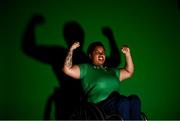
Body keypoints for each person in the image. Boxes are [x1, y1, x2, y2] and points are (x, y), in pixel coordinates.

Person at [62, 41, 141, 120]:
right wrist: (71, 50)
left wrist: (127, 54)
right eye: (97, 52)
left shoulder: (112, 71)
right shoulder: (86, 68)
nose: (101, 54)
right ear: (90, 55)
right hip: (99, 107)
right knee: (123, 102)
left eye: (103, 52)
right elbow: (67, 69)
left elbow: (129, 72)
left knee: (134, 99)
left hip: (116, 101)